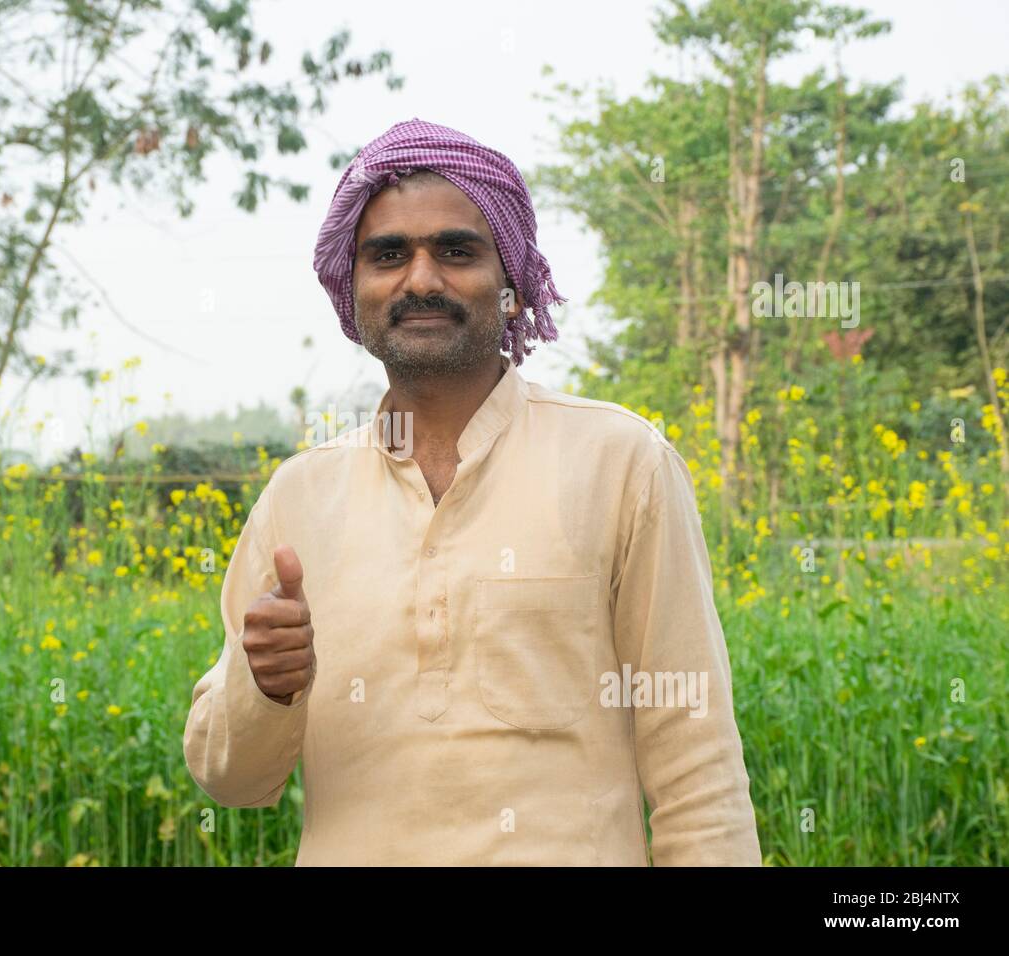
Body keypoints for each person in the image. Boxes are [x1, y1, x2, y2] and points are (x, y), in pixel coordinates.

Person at [183, 118, 762, 866]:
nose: (420, 279)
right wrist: (265, 687)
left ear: (511, 284)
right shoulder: (301, 497)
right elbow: (231, 780)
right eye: (387, 255)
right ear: (352, 294)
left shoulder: (620, 462)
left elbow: (696, 755)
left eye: (455, 250)